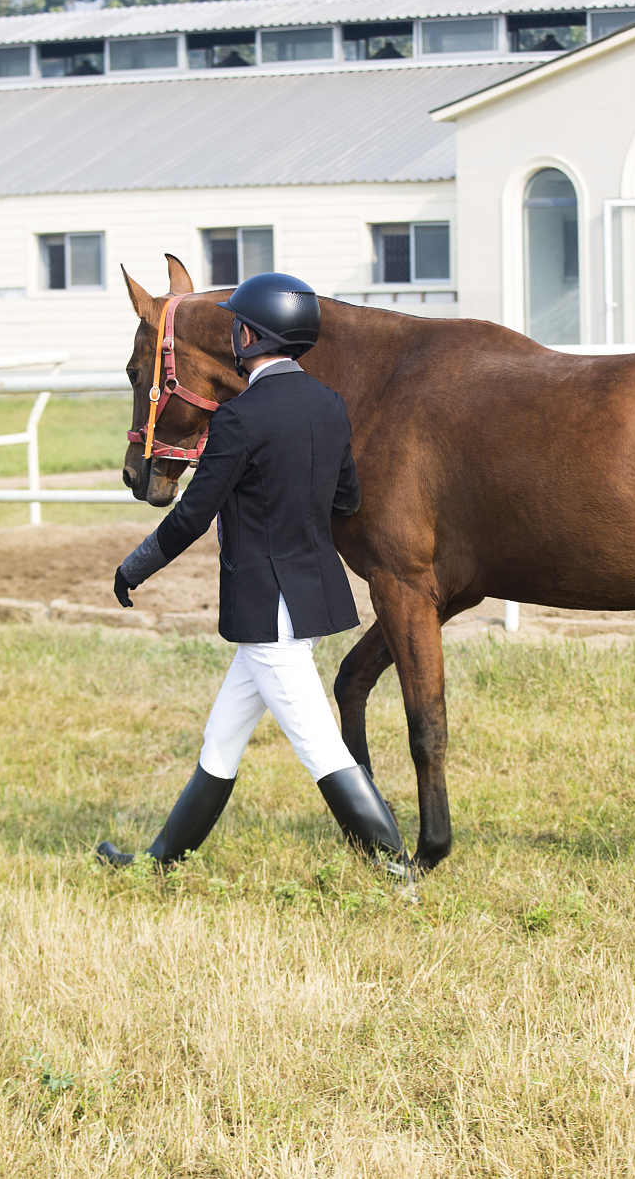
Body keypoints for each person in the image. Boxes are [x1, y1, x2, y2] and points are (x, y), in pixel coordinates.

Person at [96, 272, 409, 876]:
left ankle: (396, 873)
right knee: (221, 741)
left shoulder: (238, 419)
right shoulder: (329, 404)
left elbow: (192, 515)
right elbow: (346, 498)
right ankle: (158, 864)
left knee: (320, 746)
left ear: (249, 336)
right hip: (308, 601)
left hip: (268, 608)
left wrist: (135, 566)